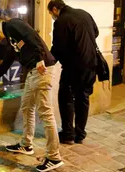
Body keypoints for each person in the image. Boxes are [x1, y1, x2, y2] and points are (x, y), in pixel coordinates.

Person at [0, 17, 64, 172]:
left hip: (41, 69)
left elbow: (32, 36)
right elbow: (7, 62)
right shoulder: (11, 39)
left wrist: (39, 59)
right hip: (32, 73)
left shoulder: (12, 24)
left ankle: (54, 157)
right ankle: (26, 145)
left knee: (45, 113)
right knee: (27, 107)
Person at [47, 0, 99, 144]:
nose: (52, 16)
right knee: (83, 98)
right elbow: (96, 32)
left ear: (55, 9)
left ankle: (68, 134)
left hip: (73, 66)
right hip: (91, 63)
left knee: (65, 97)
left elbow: (58, 47)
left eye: (50, 13)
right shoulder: (84, 13)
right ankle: (80, 134)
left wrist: (48, 62)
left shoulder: (61, 21)